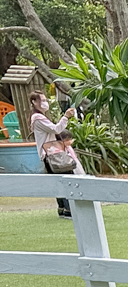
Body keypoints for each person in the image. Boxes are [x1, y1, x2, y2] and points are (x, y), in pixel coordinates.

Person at [30, 91, 82, 219]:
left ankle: (63, 208)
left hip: (49, 153)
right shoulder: (38, 118)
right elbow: (56, 129)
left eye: (44, 99)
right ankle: (68, 209)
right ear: (34, 102)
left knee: (57, 180)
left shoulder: (39, 117)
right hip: (52, 153)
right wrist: (65, 117)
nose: (44, 102)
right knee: (65, 178)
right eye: (41, 100)